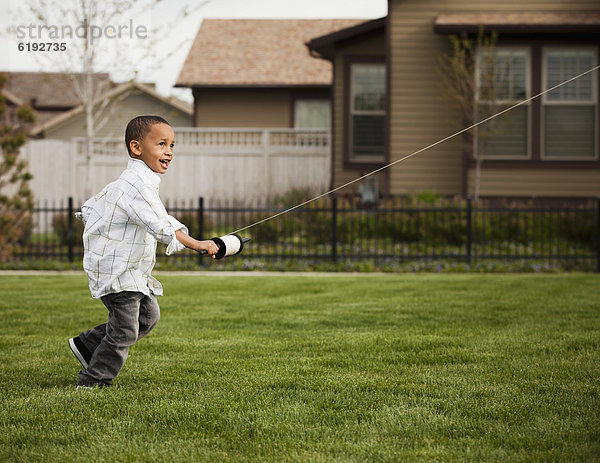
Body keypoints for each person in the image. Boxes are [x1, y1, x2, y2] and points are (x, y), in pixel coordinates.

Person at [68, 115, 218, 389]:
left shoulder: (141, 183)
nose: (169, 151)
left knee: (148, 318)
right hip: (119, 271)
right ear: (136, 148)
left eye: (172, 145)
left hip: (132, 270)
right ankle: (93, 380)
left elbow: (157, 217)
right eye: (161, 144)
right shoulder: (134, 184)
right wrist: (197, 243)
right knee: (125, 330)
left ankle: (88, 344)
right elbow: (160, 224)